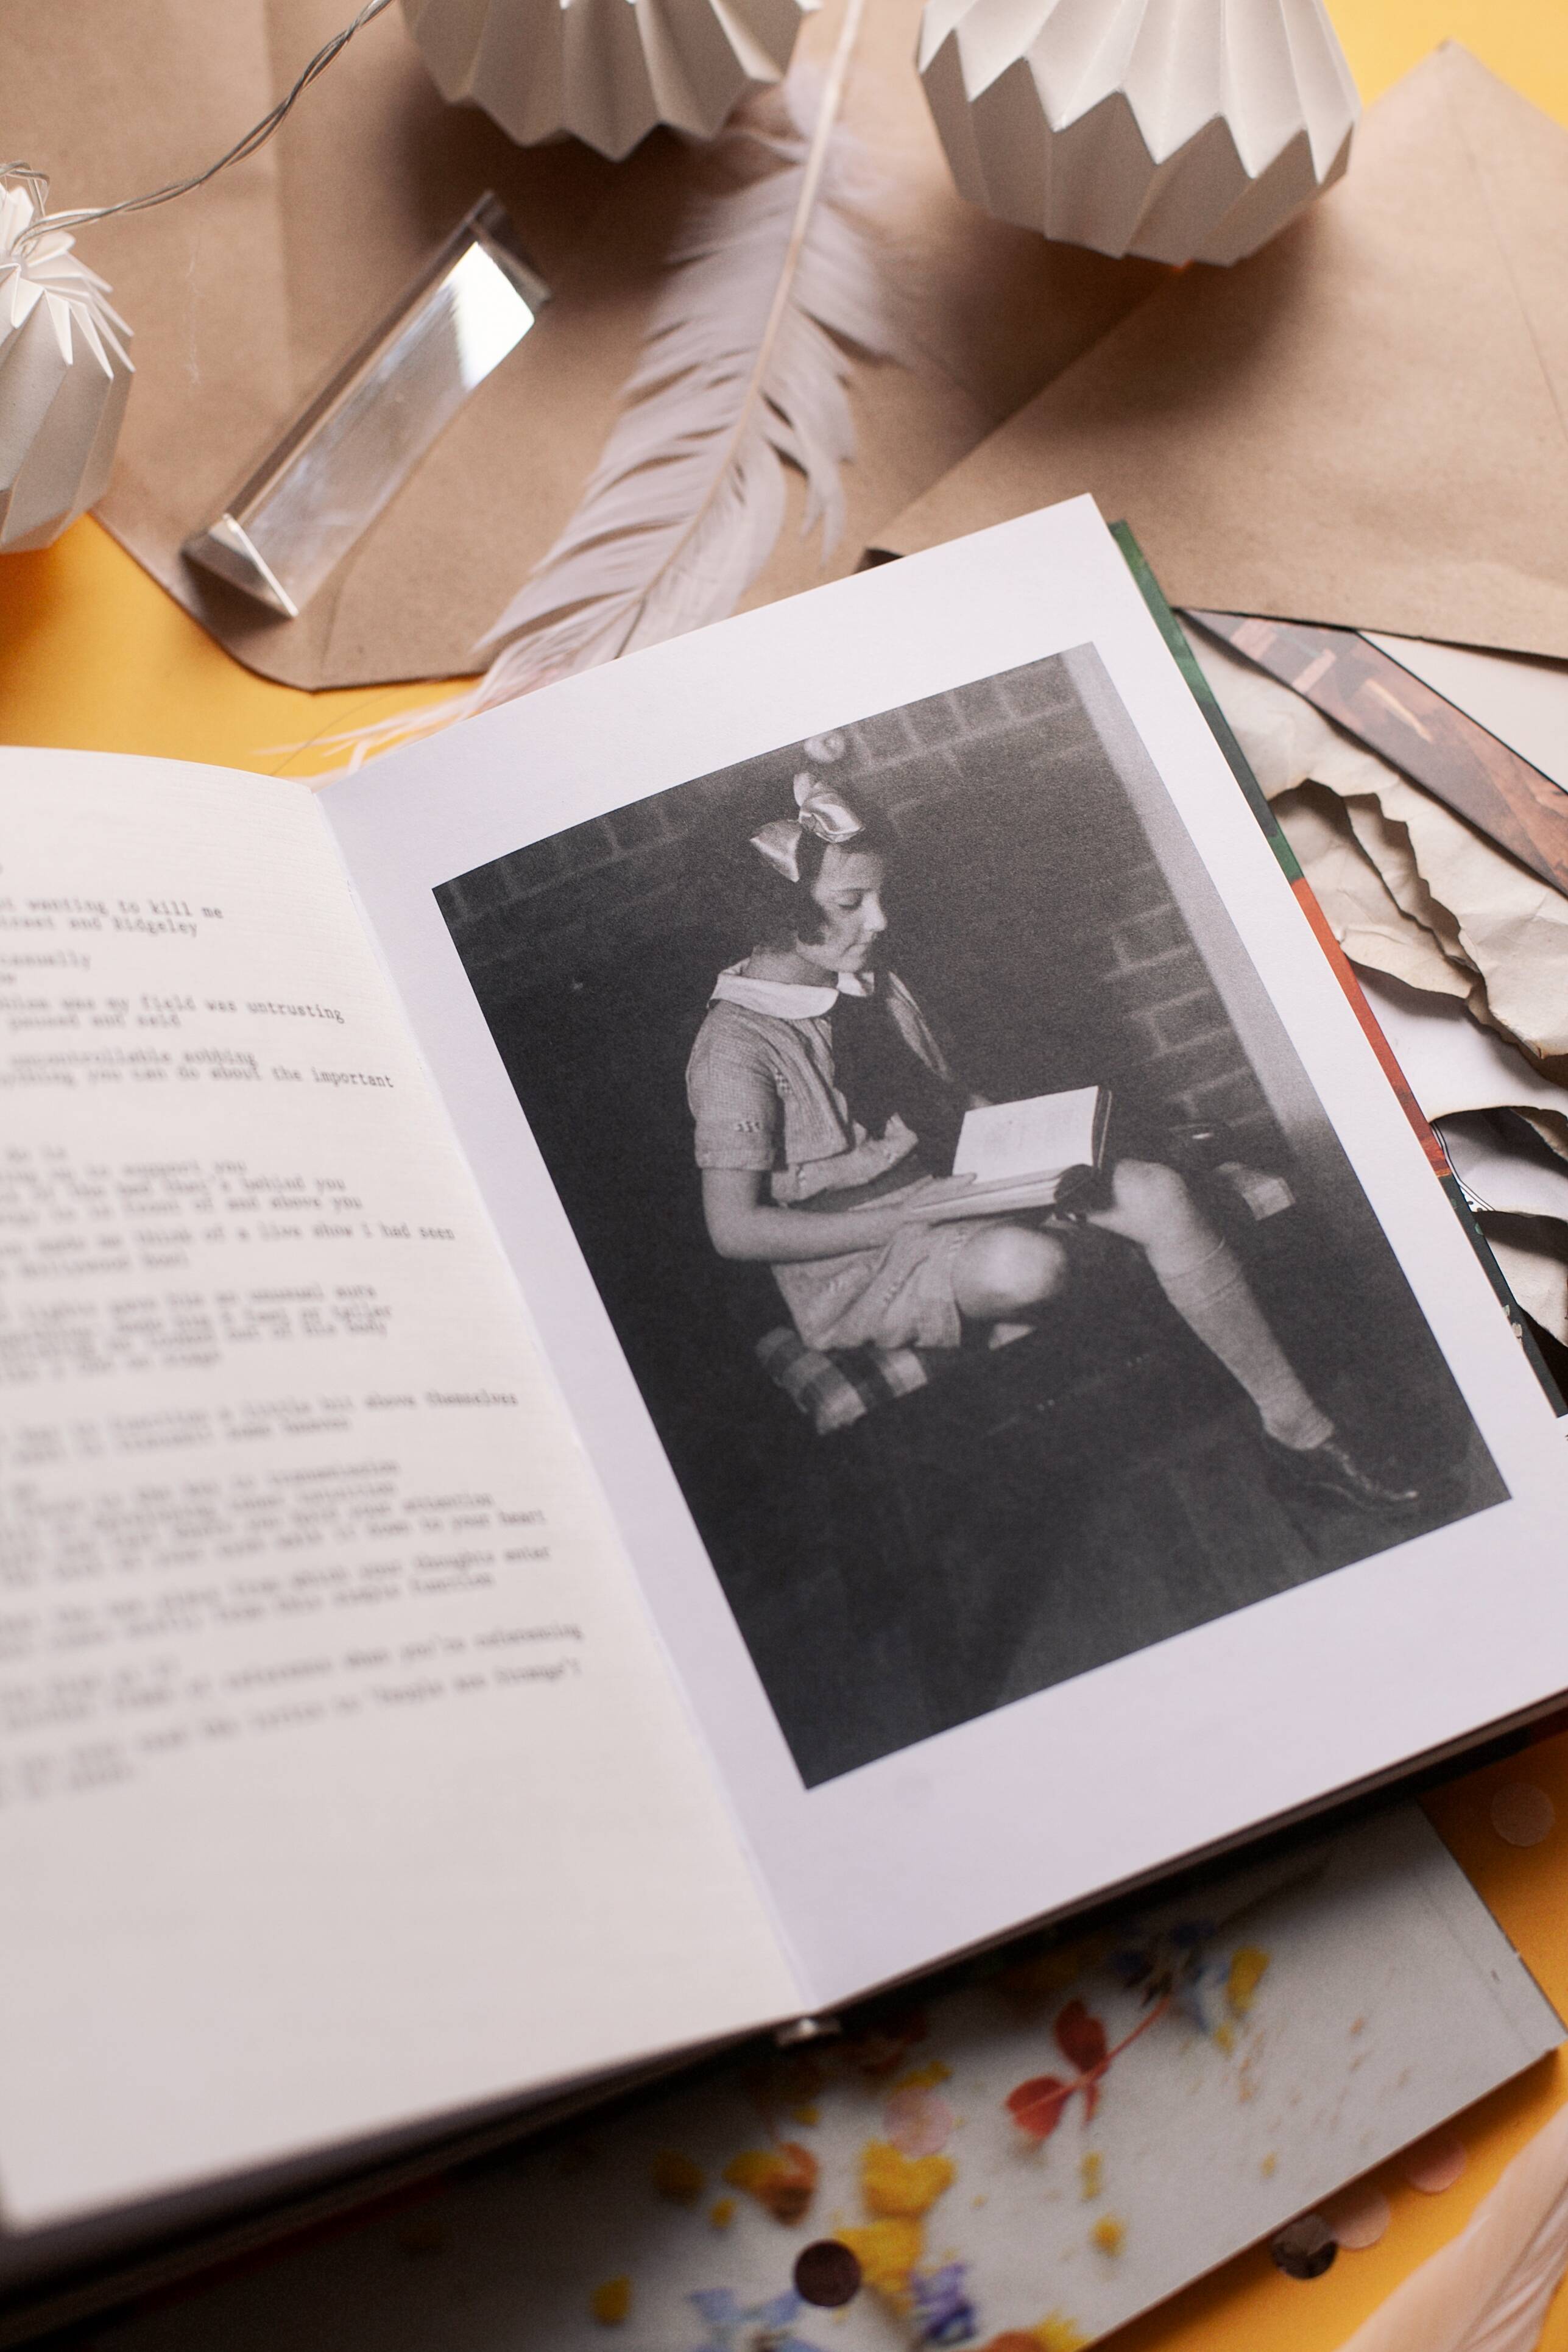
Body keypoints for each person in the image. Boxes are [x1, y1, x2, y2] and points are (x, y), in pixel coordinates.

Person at [685, 774, 1418, 1512]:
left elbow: (951, 1101)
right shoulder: (736, 1047)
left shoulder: (874, 981)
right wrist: (907, 1218)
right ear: (777, 910)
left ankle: (1299, 1432)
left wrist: (1036, 1153)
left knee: (1158, 1191)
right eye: (851, 903)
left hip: (951, 1191)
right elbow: (733, 1230)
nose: (879, 919)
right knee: (1028, 1265)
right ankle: (1096, 1277)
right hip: (861, 1259)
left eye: (881, 895)